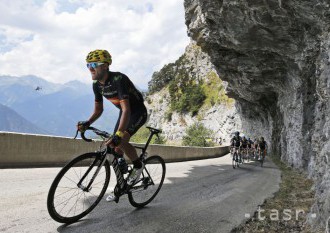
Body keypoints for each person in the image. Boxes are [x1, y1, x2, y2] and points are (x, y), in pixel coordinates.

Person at [77, 49, 148, 202]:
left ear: (105, 66)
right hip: (124, 113)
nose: (90, 68)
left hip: (136, 112)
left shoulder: (118, 79)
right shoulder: (96, 85)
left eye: (94, 64)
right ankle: (122, 181)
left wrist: (119, 134)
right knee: (115, 148)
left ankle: (138, 165)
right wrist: (87, 123)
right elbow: (99, 109)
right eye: (88, 65)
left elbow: (126, 109)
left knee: (121, 139)